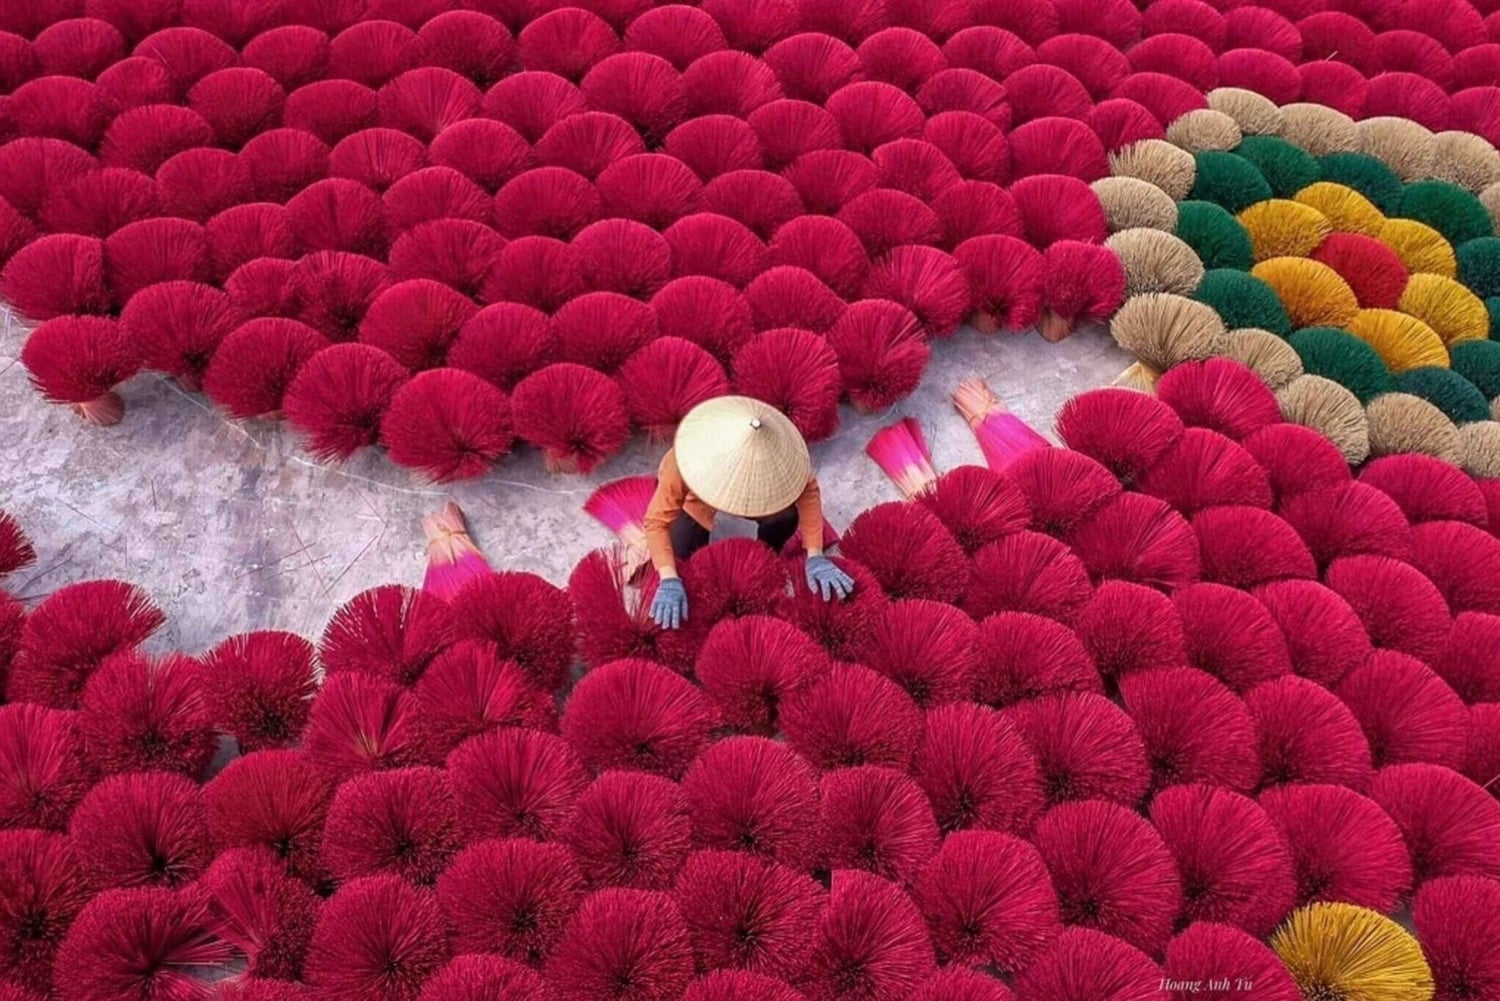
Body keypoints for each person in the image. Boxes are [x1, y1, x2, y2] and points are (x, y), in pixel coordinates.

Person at [644, 395, 855, 629]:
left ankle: (766, 553)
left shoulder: (784, 459)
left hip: (762, 493)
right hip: (697, 497)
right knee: (682, 549)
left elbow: (808, 491)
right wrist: (669, 577)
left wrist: (815, 554)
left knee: (785, 517)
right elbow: (655, 523)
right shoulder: (685, 463)